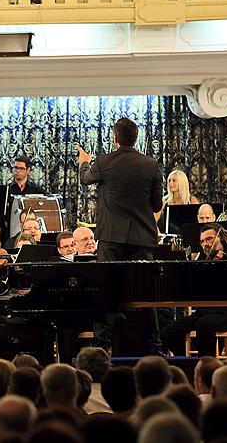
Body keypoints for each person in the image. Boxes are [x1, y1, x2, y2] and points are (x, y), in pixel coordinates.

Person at [78, 117, 163, 355]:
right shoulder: (151, 165)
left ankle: (103, 345)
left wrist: (84, 162)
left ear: (115, 139)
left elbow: (86, 179)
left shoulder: (104, 162)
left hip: (111, 237)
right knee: (146, 293)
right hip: (142, 238)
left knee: (105, 289)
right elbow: (156, 206)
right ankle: (154, 346)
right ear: (135, 138)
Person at [160, 224, 227, 357]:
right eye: (202, 241)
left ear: (222, 239)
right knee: (168, 332)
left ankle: (208, 365)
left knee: (205, 324)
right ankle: (191, 362)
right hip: (207, 312)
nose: (205, 244)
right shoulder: (206, 263)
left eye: (209, 239)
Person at [3, 156, 47, 244]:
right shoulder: (6, 190)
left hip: (32, 236)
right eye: (15, 168)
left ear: (28, 170)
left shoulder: (37, 190)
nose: (17, 171)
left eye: (21, 168)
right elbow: (0, 217)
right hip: (9, 235)